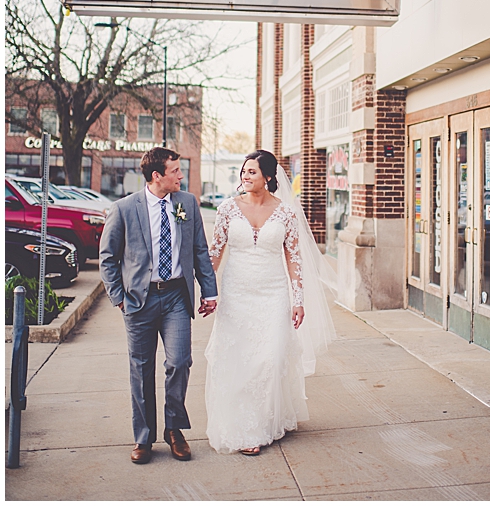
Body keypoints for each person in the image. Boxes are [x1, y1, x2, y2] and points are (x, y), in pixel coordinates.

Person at [204, 150, 336, 455]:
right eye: (243, 171)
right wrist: (205, 290)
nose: (245, 177)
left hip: (273, 294)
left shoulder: (286, 213)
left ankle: (266, 419)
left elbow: (294, 258)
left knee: (271, 359)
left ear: (268, 177)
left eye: (252, 172)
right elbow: (214, 254)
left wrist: (298, 299)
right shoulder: (226, 209)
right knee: (238, 359)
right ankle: (246, 428)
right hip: (236, 294)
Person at [100, 147, 218, 464]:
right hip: (140, 300)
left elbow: (200, 250)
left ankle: (175, 429)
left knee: (179, 362)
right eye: (176, 171)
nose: (181, 176)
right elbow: (108, 258)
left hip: (177, 296)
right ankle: (143, 438)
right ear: (157, 176)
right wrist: (119, 297)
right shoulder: (123, 209)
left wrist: (210, 291)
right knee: (141, 371)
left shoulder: (187, 204)